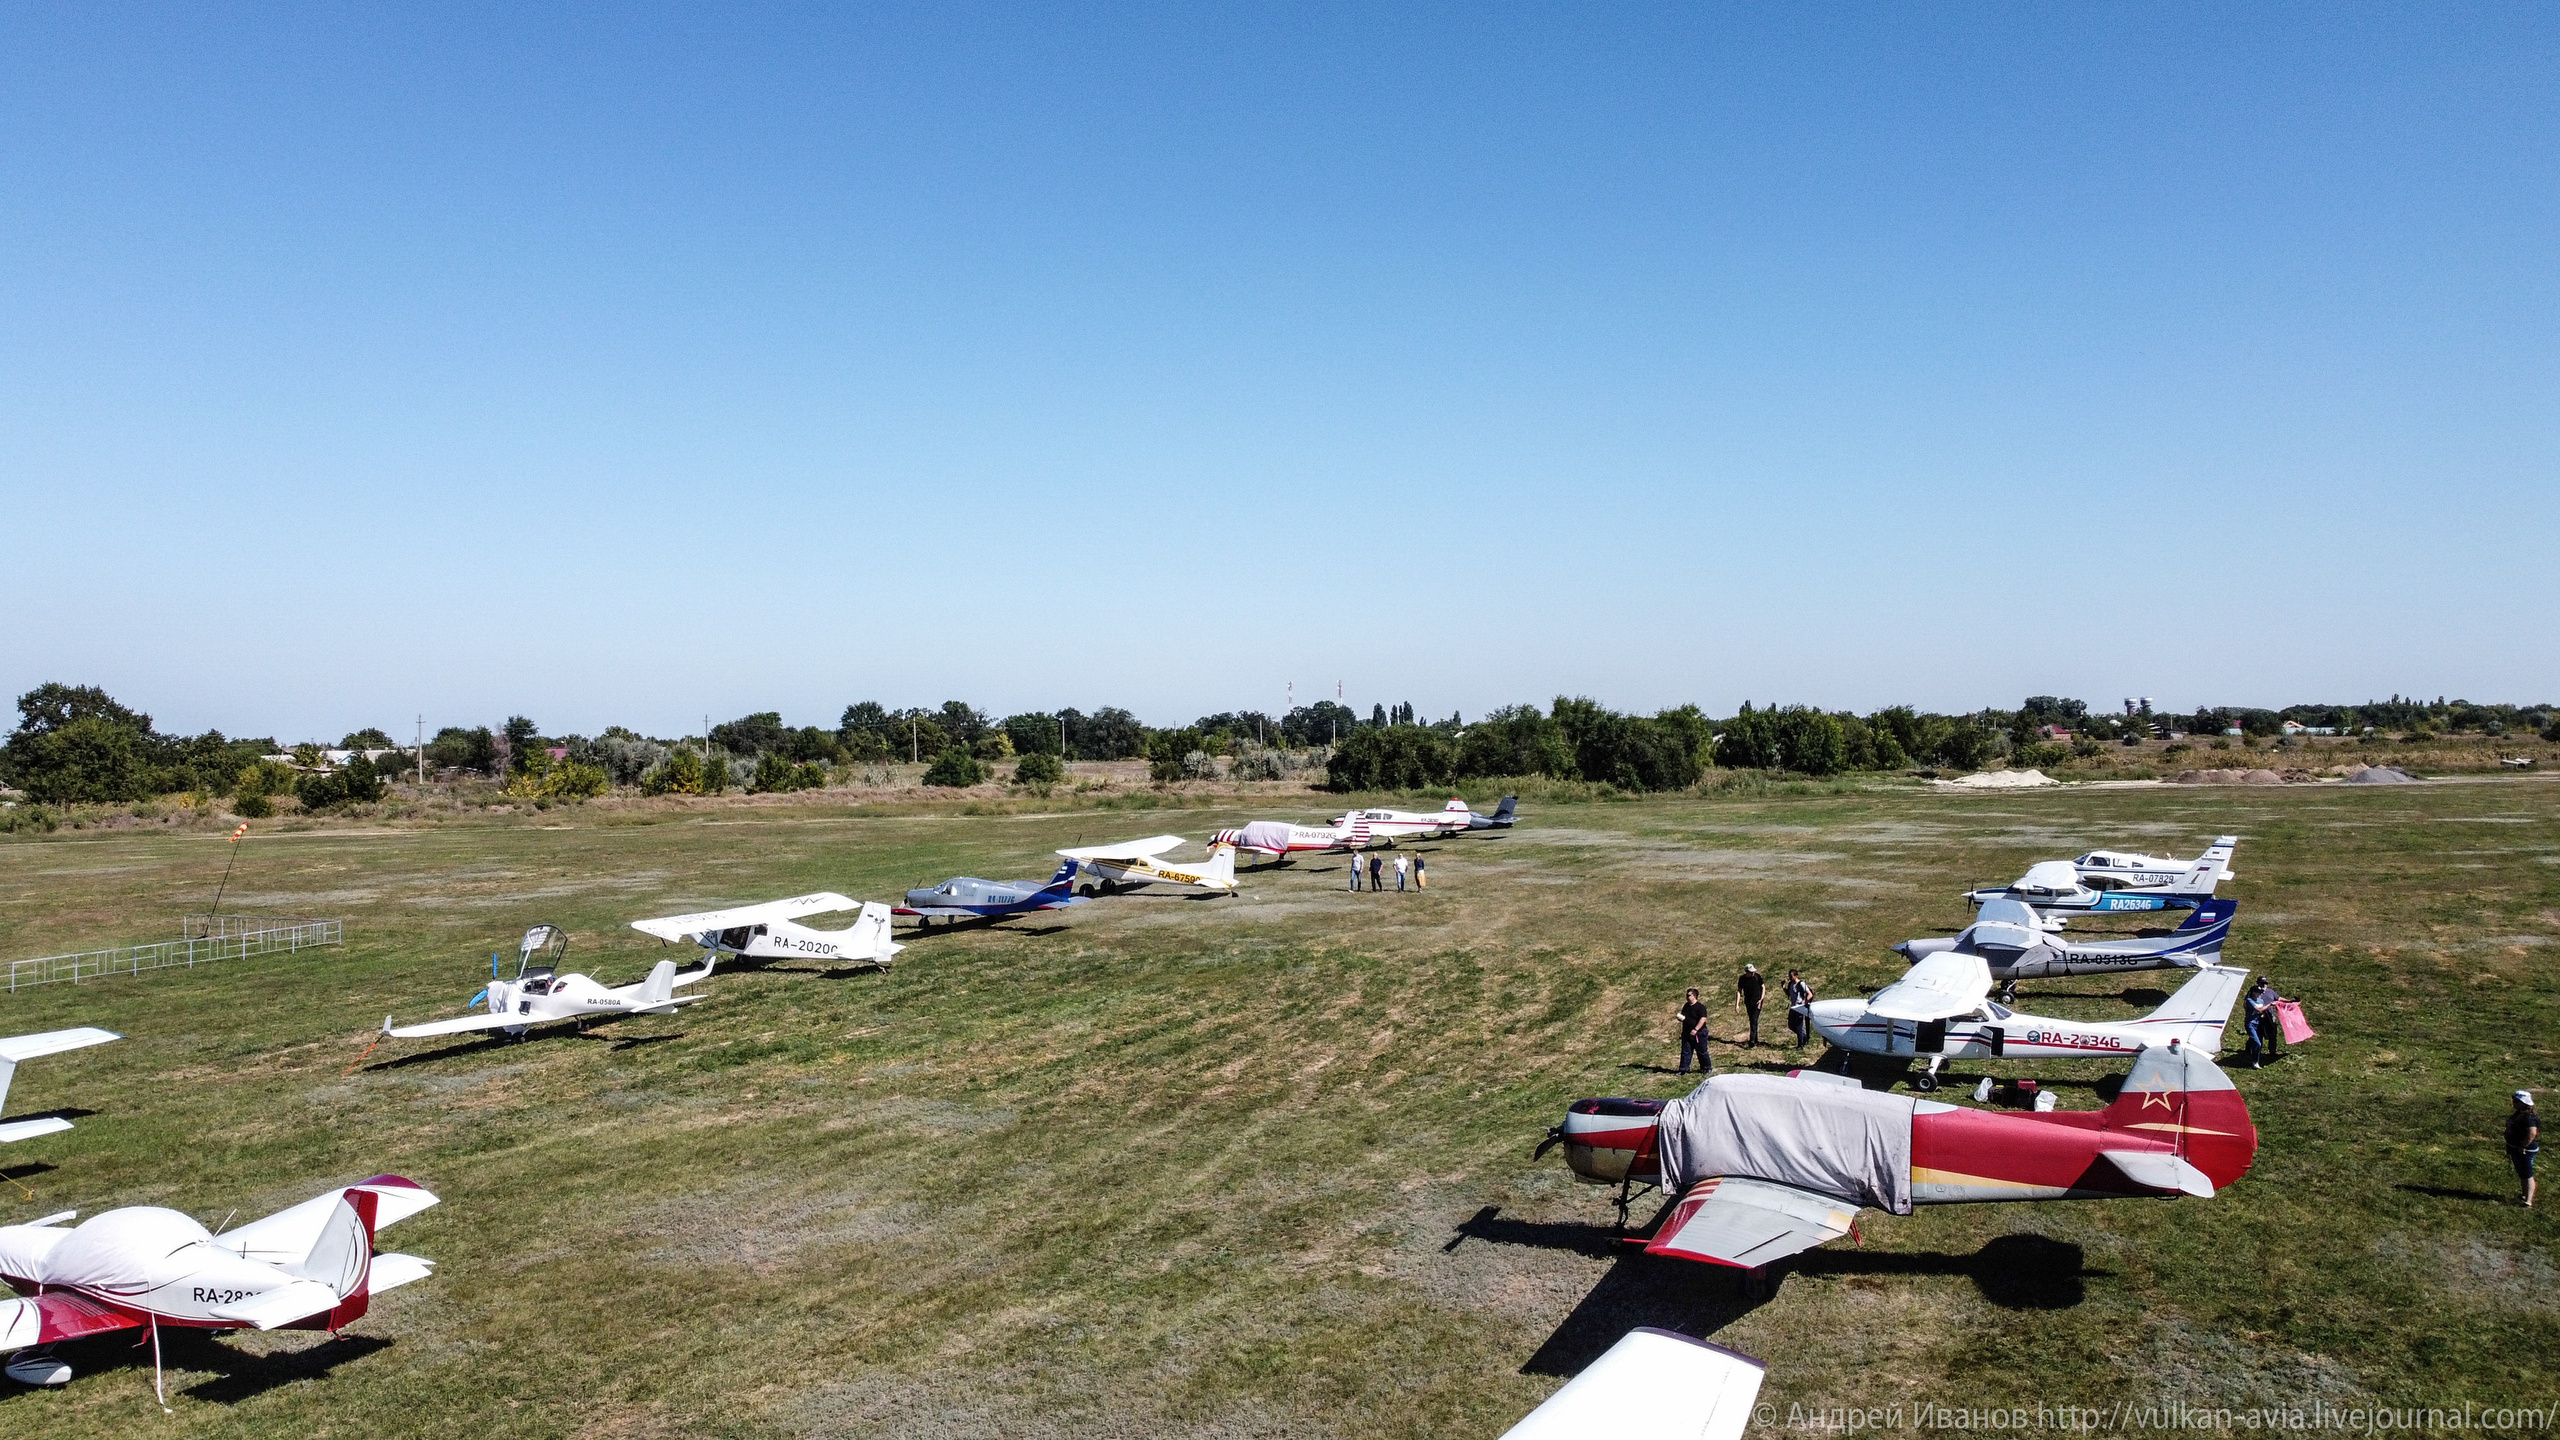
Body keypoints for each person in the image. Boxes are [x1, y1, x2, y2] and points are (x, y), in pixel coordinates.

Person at [2510, 1091, 2540, 1208]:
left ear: (2524, 1103)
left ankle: (2528, 1200)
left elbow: (2532, 1133)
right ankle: (2524, 1194)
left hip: (2525, 1150)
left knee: (2527, 1174)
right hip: (2515, 1147)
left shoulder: (2530, 1118)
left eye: (2517, 1101)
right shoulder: (2519, 1114)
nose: (2514, 1103)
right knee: (2522, 1173)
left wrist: (2524, 1146)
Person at [1676, 988, 1712, 1076]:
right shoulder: (1686, 1006)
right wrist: (1680, 1018)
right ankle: (1683, 1069)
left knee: (1702, 1051)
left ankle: (1706, 1068)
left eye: (1689, 995)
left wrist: (1696, 1029)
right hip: (1687, 1033)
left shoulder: (1700, 1007)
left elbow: (1703, 1019)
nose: (1687, 997)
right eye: (1686, 995)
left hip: (1699, 1033)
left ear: (1695, 996)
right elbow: (1685, 1017)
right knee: (1686, 1051)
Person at [2241, 979, 2275, 1068]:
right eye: (2258, 992)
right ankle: (2255, 1062)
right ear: (2253, 992)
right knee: (2257, 1043)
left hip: (2258, 1024)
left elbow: (2261, 1011)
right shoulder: (2249, 1000)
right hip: (2250, 1024)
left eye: (2260, 993)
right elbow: (2259, 1009)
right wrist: (2270, 1005)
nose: (2260, 994)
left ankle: (2252, 1057)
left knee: (2256, 1041)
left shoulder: (2260, 1001)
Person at [1736, 964, 1766, 1047]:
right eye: (1751, 972)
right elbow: (1739, 991)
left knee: (1754, 1019)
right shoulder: (1742, 979)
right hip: (1748, 1002)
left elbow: (1763, 987)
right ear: (1747, 972)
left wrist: (1761, 999)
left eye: (1753, 972)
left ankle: (1752, 1040)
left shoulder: (1757, 977)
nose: (1753, 973)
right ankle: (1755, 1039)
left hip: (1757, 1002)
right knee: (1752, 1020)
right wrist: (1737, 1004)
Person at [1783, 969, 1814, 1047]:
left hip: (1799, 1007)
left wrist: (1805, 1002)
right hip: (1793, 1007)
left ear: (1796, 975)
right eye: (1789, 976)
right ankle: (1804, 1037)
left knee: (1799, 1026)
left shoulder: (1801, 984)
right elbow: (1789, 994)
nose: (1790, 978)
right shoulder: (1791, 984)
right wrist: (1783, 987)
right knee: (1791, 1025)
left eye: (1791, 976)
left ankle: (1801, 1045)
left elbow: (1810, 994)